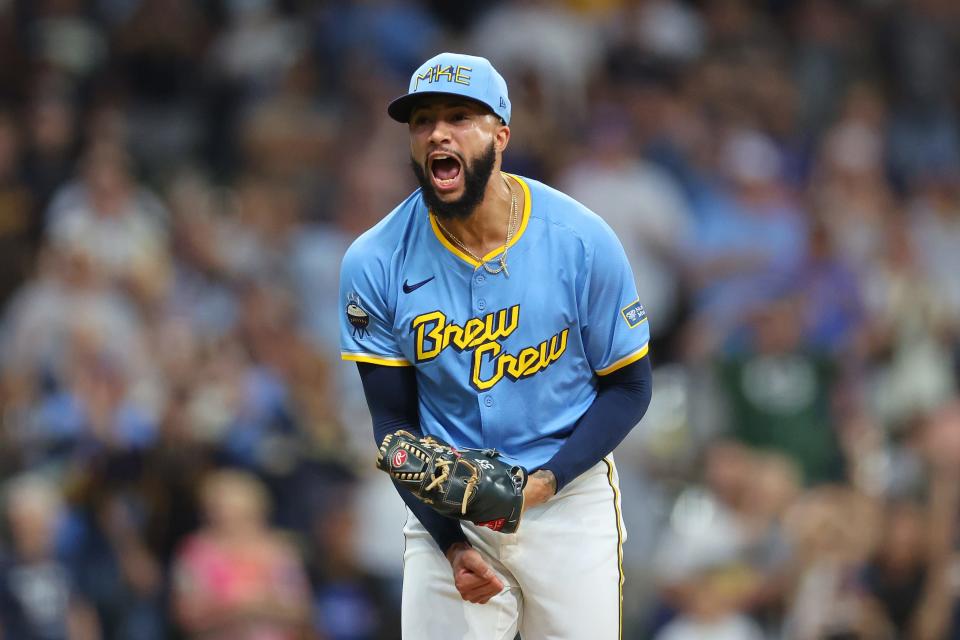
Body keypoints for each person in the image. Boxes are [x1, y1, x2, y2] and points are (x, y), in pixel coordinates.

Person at [338, 52, 653, 639]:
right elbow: (392, 424)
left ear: (501, 135)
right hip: (449, 506)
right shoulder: (375, 260)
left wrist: (540, 486)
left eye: (460, 117)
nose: (437, 133)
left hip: (567, 496)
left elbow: (631, 387)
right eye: (422, 120)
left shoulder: (580, 240)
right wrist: (451, 545)